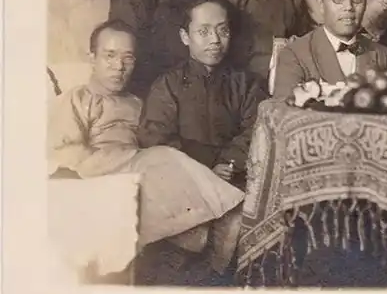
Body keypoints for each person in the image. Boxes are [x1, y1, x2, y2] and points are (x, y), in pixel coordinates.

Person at [47, 20, 244, 273]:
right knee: (162, 157)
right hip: (101, 175)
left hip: (146, 173)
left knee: (166, 160)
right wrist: (126, 160)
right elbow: (67, 155)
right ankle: (221, 217)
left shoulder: (139, 103)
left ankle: (204, 236)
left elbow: (158, 138)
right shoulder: (75, 99)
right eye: (109, 56)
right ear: (92, 58)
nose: (119, 66)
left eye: (128, 58)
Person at [139, 0, 268, 187]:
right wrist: (206, 166)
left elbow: (257, 129)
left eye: (223, 30)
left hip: (234, 176)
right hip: (184, 180)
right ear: (185, 37)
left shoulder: (246, 83)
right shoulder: (167, 85)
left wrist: (228, 163)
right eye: (204, 31)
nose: (215, 39)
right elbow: (156, 138)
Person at [273, 0, 387, 99]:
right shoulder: (294, 55)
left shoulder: (383, 56)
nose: (349, 7)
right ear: (321, 3)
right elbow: (284, 109)